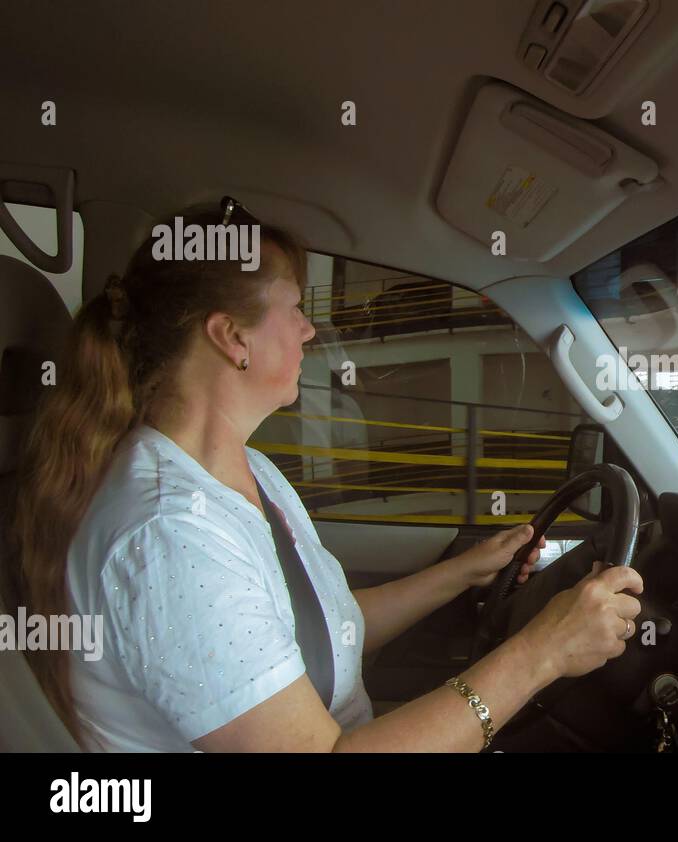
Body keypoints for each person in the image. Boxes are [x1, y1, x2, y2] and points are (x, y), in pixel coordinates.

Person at [3, 201, 642, 752]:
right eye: (293, 308)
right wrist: (541, 654)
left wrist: (463, 572)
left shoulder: (241, 469)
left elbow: (322, 629)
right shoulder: (168, 536)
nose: (310, 328)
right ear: (231, 338)